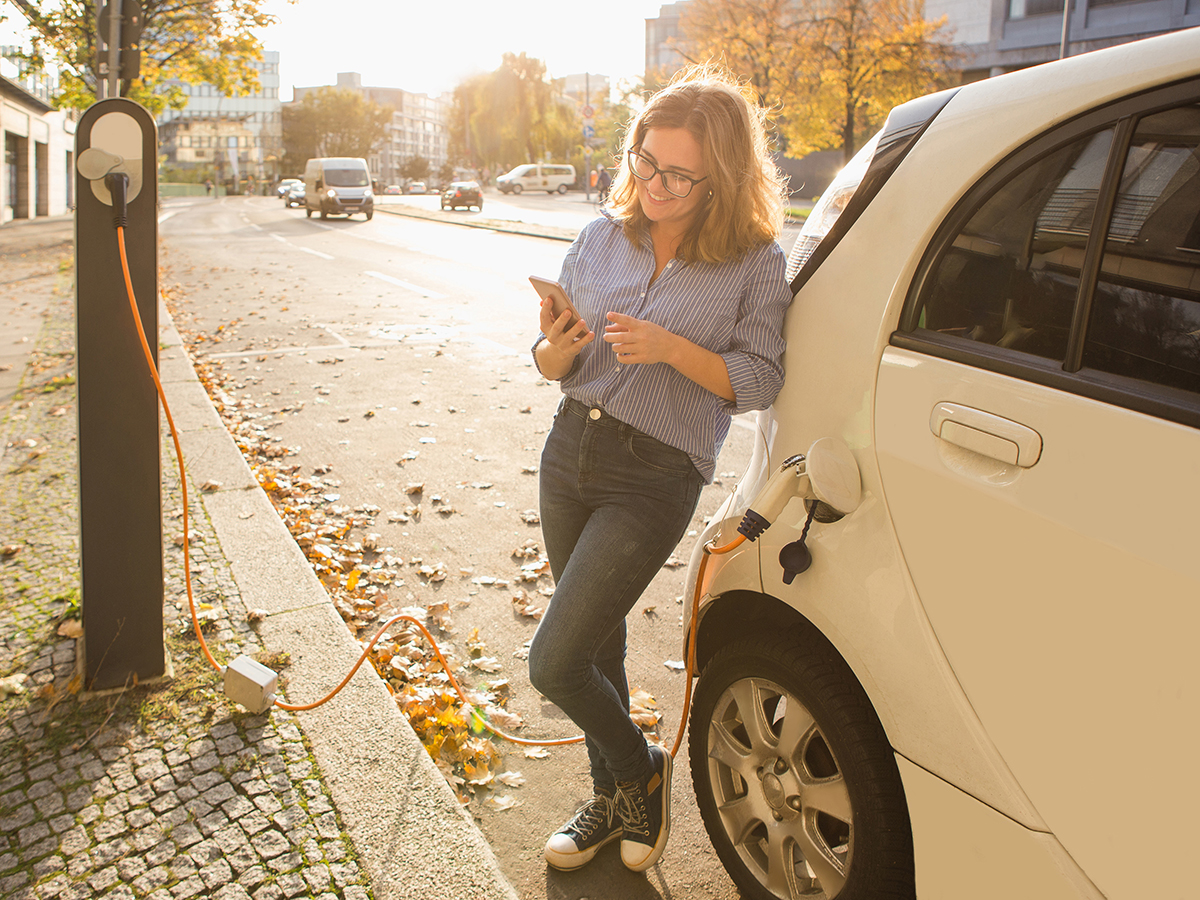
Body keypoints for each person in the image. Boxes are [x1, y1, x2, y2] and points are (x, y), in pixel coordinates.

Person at [528, 65, 791, 875]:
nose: (655, 184)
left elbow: (761, 380)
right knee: (595, 649)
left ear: (723, 178)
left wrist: (675, 349)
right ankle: (614, 798)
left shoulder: (755, 262)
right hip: (570, 450)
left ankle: (642, 767)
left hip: (654, 474)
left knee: (554, 661)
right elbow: (548, 360)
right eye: (646, 161)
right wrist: (554, 352)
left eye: (679, 174)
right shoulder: (600, 236)